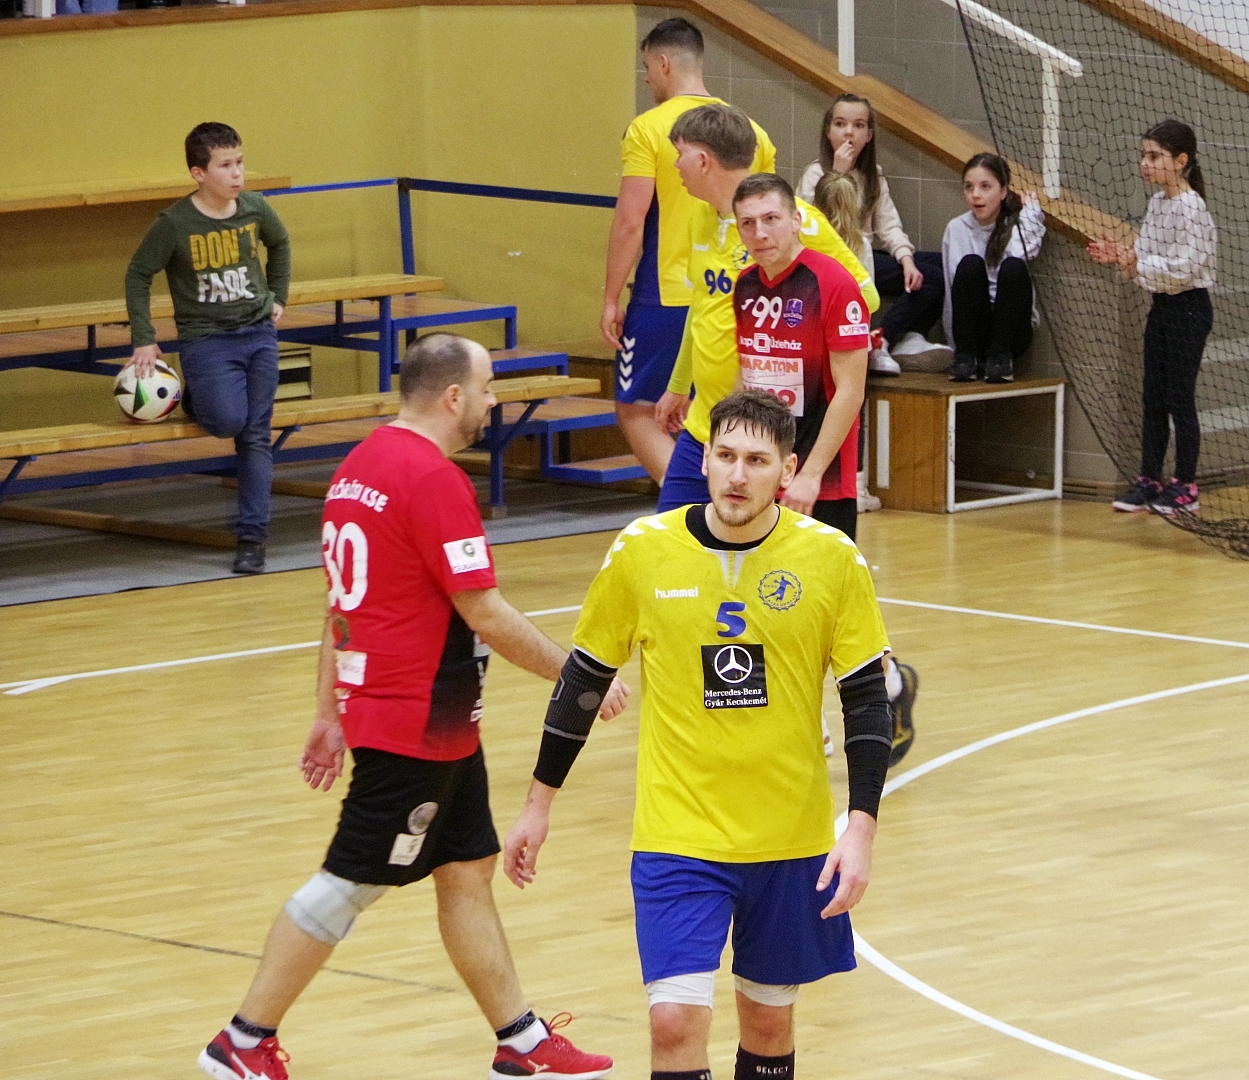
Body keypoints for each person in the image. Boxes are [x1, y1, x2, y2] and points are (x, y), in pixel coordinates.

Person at [197, 334, 620, 1080]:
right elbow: (484, 611)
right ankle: (243, 1039)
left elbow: (340, 604)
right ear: (453, 396)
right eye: (487, 388)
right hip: (413, 724)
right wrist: (577, 674)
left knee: (466, 867)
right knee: (349, 881)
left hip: (433, 721)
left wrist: (328, 712)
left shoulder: (357, 469)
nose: (492, 401)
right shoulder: (431, 479)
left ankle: (520, 1041)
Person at [503, 390, 894, 1080]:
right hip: (677, 834)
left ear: (787, 470)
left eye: (757, 461)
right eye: (725, 456)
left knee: (768, 1024)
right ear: (704, 460)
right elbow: (584, 681)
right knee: (673, 1022)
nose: (737, 475)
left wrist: (860, 828)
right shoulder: (643, 551)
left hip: (790, 839)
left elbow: (865, 701)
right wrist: (538, 804)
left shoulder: (831, 559)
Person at [732, 172, 920, 762]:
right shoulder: (744, 287)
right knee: (763, 597)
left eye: (771, 219)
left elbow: (850, 391)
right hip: (767, 476)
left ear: (796, 220)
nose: (760, 233)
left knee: (826, 606)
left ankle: (889, 684)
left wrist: (810, 473)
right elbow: (751, 376)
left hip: (822, 477)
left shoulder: (832, 283)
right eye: (748, 223)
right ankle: (802, 723)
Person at [651, 103, 876, 513]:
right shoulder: (700, 217)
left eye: (679, 154)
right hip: (710, 423)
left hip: (775, 433)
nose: (675, 165)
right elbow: (702, 305)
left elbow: (864, 297)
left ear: (702, 160)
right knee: (673, 538)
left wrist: (788, 331)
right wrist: (679, 384)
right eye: (749, 224)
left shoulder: (799, 222)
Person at [600, 18, 777, 484]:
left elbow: (631, 220)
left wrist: (611, 297)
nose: (646, 79)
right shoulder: (753, 132)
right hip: (739, 296)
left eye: (646, 68)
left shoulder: (647, 129)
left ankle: (691, 501)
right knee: (720, 411)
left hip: (666, 294)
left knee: (636, 410)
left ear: (664, 64)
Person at [125, 122, 290, 575]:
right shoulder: (175, 224)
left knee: (255, 435)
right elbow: (138, 275)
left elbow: (280, 244)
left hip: (258, 333)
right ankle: (196, 396)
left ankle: (252, 539)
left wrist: (277, 296)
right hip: (207, 340)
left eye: (240, 162)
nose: (237, 173)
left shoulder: (255, 208)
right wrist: (144, 336)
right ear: (199, 173)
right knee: (228, 421)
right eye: (225, 165)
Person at [1089, 119, 1218, 515]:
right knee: (1153, 397)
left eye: (1155, 156)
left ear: (1181, 161)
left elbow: (1184, 269)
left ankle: (1186, 485)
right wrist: (1124, 258)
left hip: (1189, 309)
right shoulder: (1158, 203)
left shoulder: (1192, 208)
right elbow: (1145, 257)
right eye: (1143, 155)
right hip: (1162, 307)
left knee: (1180, 397)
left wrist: (1139, 263)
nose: (1145, 163)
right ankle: (1149, 478)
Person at [797, 94, 950, 374]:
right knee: (933, 276)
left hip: (866, 255)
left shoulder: (872, 175)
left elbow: (888, 226)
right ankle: (880, 341)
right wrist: (837, 174)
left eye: (858, 126)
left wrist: (906, 260)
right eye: (840, 124)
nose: (849, 133)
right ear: (828, 131)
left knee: (941, 264)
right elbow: (812, 229)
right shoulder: (815, 174)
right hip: (836, 263)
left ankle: (908, 336)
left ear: (868, 135)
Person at [941, 153, 1043, 384]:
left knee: (1013, 267)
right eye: (969, 187)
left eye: (985, 186)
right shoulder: (956, 228)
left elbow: (1020, 256)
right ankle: (967, 358)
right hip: (973, 332)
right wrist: (956, 347)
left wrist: (1030, 216)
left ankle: (1000, 359)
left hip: (1011, 335)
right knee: (970, 264)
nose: (975, 194)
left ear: (1004, 191)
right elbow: (952, 291)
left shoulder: (1015, 225)